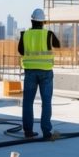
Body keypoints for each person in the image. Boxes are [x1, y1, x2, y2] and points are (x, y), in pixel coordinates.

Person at [18, 8, 61, 140]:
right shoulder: (48, 34)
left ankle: (28, 131)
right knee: (46, 102)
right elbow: (58, 45)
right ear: (43, 22)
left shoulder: (25, 35)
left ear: (32, 21)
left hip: (30, 71)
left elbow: (21, 51)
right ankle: (46, 132)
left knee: (28, 102)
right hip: (46, 72)